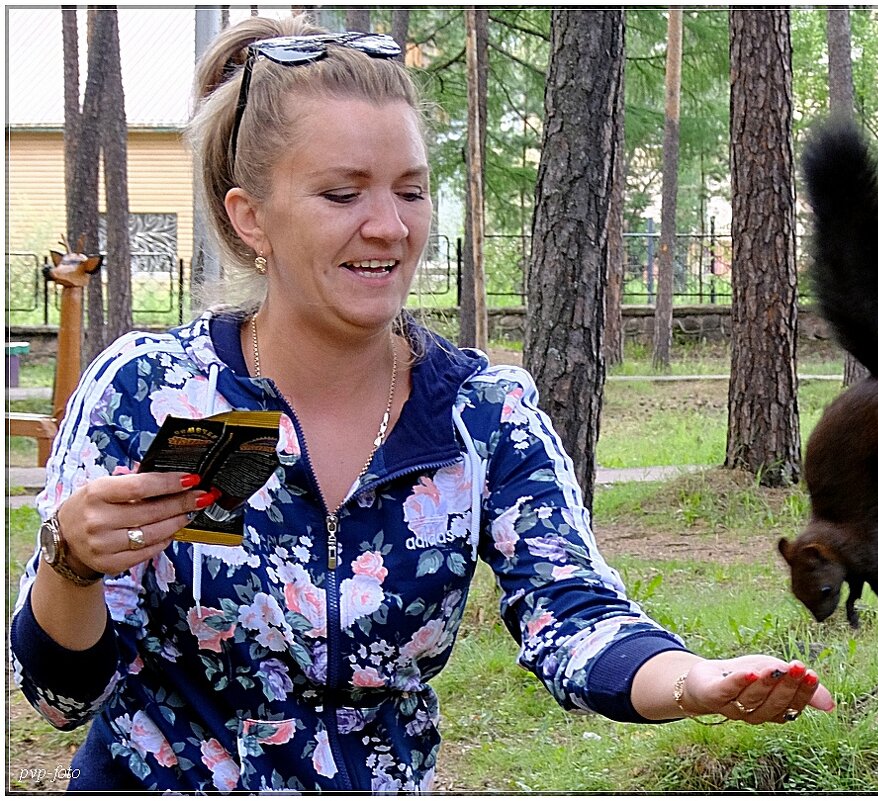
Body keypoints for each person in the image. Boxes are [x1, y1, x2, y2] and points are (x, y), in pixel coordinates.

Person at [10, 15, 834, 793]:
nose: (389, 227)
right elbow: (59, 699)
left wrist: (694, 679)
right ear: (249, 217)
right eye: (343, 194)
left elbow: (571, 610)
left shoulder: (481, 414)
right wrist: (72, 562)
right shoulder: (152, 390)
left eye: (410, 190)